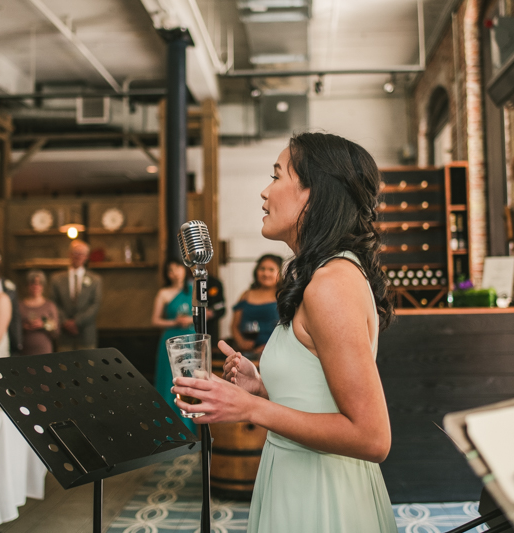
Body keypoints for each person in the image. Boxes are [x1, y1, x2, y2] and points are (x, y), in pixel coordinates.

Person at [171, 132, 397, 532]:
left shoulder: (331, 283)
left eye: (276, 177)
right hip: (296, 475)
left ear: (315, 193)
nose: (264, 192)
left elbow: (372, 437)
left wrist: (251, 409)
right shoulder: (322, 275)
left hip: (323, 495)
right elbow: (320, 400)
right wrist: (262, 388)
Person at [151, 258, 195, 432]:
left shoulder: (194, 290)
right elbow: (155, 321)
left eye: (177, 268)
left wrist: (190, 320)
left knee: (189, 383)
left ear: (184, 270)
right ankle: (167, 429)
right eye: (170, 270)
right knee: (168, 382)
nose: (174, 272)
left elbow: (204, 315)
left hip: (190, 340)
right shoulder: (164, 293)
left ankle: (188, 428)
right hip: (169, 340)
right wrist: (174, 322)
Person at [49, 240, 102, 351]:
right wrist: (65, 322)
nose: (78, 256)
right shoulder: (56, 279)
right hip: (64, 334)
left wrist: (77, 322)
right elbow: (53, 303)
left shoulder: (95, 279)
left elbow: (95, 304)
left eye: (81, 253)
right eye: (75, 253)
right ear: (69, 254)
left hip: (86, 333)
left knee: (88, 366)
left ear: (86, 257)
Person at [230, 254, 282, 357]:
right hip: (247, 353)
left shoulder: (283, 295)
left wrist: (268, 347)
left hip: (275, 352)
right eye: (262, 269)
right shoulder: (246, 294)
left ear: (279, 273)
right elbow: (234, 326)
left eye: (271, 270)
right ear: (256, 271)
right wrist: (241, 343)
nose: (266, 273)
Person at [19, 269, 59, 356]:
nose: (35, 286)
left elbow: (56, 331)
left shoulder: (49, 305)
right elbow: (13, 328)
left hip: (44, 349)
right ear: (27, 285)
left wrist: (43, 324)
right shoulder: (20, 306)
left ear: (43, 286)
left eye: (39, 283)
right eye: (32, 283)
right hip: (24, 350)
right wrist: (24, 326)